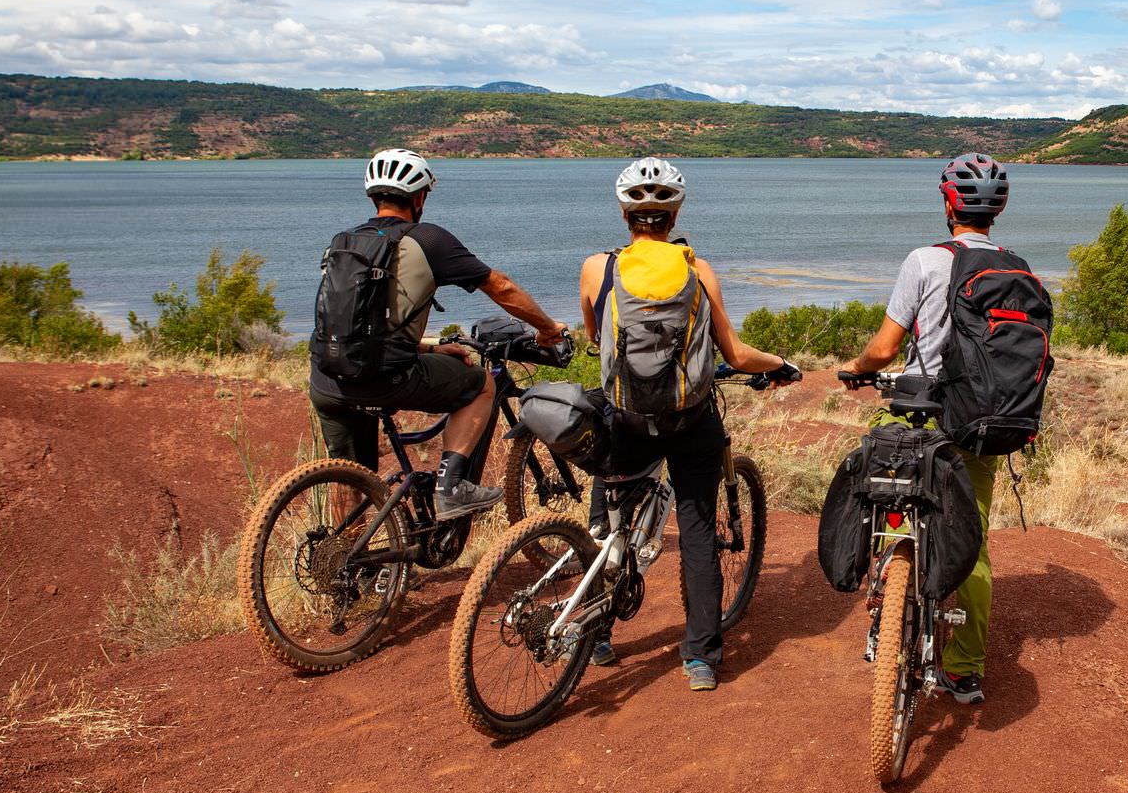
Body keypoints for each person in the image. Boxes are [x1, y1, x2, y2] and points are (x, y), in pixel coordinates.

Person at [577, 157, 798, 691]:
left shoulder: (597, 268)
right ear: (674, 213)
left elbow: (593, 337)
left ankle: (598, 634)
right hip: (689, 419)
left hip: (627, 417)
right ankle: (699, 657)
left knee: (610, 527)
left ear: (625, 212)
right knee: (698, 533)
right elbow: (737, 354)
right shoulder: (698, 272)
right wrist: (783, 366)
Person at [309, 148, 568, 518]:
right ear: (419, 197)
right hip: (382, 376)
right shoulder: (428, 240)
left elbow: (355, 323)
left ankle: (345, 567)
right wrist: (548, 329)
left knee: (351, 477)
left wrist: (428, 346)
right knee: (480, 384)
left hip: (326, 379)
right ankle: (452, 487)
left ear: (372, 195)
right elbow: (501, 287)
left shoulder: (342, 241)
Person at [838, 152, 1009, 706]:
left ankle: (889, 586)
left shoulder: (925, 260)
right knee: (973, 539)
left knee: (887, 489)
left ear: (947, 203)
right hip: (982, 421)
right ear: (997, 209)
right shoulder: (1016, 267)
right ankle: (964, 671)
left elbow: (886, 348)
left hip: (919, 411)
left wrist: (857, 369)